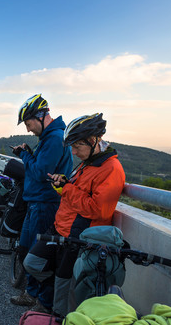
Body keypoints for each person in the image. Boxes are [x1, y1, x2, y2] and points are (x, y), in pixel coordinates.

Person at [23, 113, 126, 318]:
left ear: (94, 141)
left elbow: (98, 210)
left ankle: (58, 316)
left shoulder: (111, 169)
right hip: (60, 229)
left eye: (77, 146)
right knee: (31, 262)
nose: (73, 151)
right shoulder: (88, 163)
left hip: (78, 238)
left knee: (62, 298)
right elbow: (76, 193)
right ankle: (58, 291)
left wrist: (67, 189)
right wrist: (63, 183)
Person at [9, 94, 73, 312]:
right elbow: (40, 166)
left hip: (45, 204)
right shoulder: (48, 138)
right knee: (27, 250)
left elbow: (38, 172)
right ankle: (31, 294)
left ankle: (43, 304)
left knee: (40, 256)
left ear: (41, 116)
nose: (28, 129)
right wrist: (28, 153)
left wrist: (25, 156)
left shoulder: (55, 138)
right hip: (35, 202)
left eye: (28, 124)